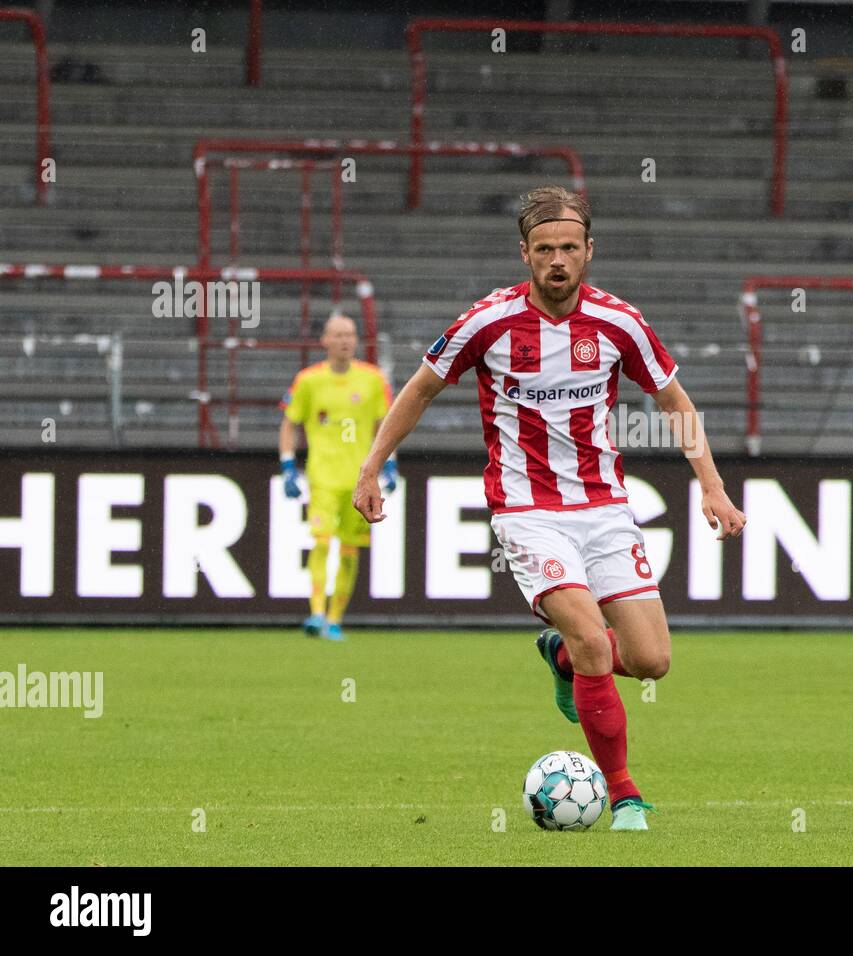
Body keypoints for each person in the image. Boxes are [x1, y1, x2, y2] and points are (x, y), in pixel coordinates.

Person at [353, 186, 746, 830]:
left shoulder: (619, 322)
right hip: (526, 510)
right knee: (595, 639)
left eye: (568, 247)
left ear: (590, 251)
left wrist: (711, 485)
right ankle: (624, 795)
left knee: (651, 662)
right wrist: (373, 466)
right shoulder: (487, 321)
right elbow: (421, 389)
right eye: (544, 249)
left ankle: (559, 657)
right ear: (524, 254)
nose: (557, 259)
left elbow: (675, 402)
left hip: (605, 508)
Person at [280, 313, 397, 641]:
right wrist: (288, 465)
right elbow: (290, 422)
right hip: (323, 477)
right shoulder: (308, 380)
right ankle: (316, 612)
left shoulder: (373, 380)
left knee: (349, 550)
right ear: (325, 341)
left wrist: (390, 465)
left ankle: (334, 619)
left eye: (350, 334)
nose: (346, 340)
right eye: (339, 335)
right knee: (320, 541)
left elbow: (384, 426)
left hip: (360, 480)